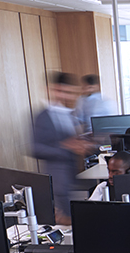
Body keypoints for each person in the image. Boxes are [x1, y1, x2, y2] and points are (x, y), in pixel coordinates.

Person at [32, 72, 95, 224]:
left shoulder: (70, 114)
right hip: (58, 181)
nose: (66, 97)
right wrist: (65, 147)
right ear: (51, 90)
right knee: (66, 223)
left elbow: (71, 140)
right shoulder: (43, 116)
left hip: (73, 177)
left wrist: (84, 143)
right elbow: (36, 148)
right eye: (62, 91)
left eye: (70, 93)